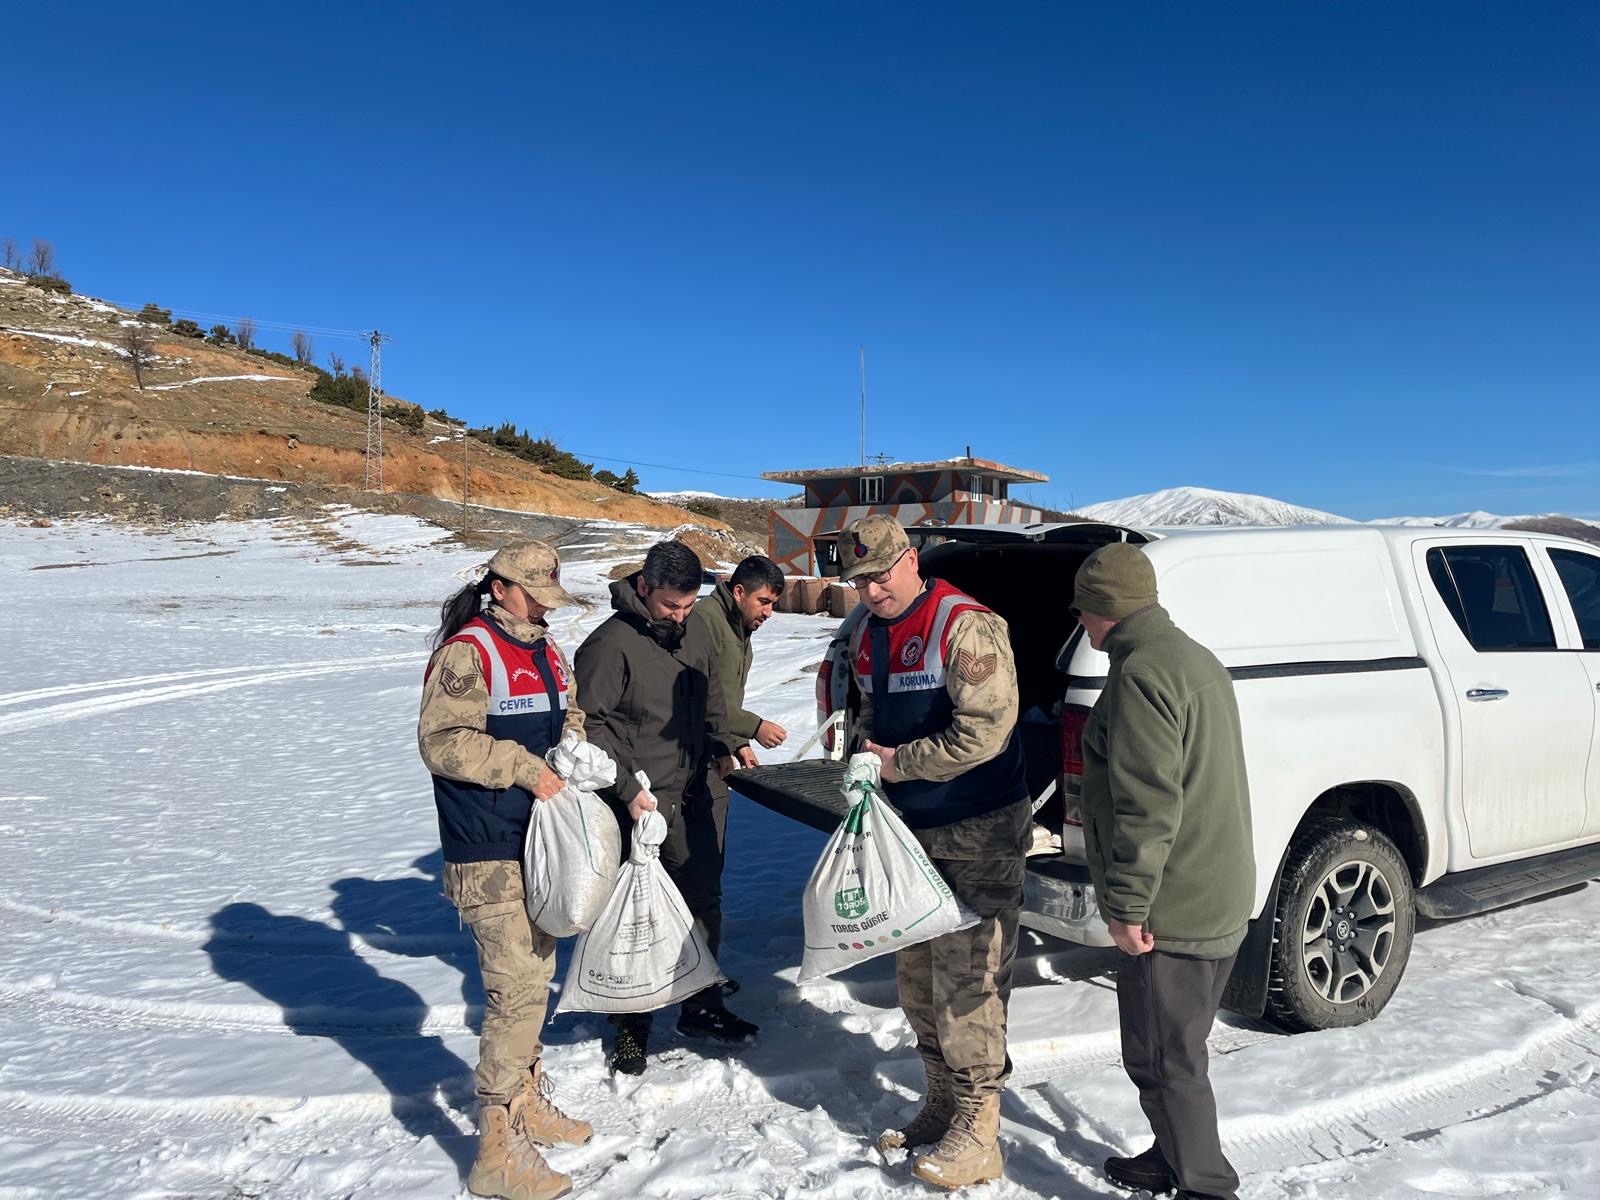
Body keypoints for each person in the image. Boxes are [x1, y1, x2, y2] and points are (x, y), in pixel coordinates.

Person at [843, 515, 1032, 1190]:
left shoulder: (964, 625)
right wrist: (866, 765)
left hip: (977, 830)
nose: (870, 591)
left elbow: (986, 729)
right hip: (910, 836)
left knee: (969, 987)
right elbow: (873, 715)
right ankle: (945, 1103)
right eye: (860, 580)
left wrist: (900, 765)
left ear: (911, 560)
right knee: (918, 983)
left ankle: (981, 1129)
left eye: (881, 575)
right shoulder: (870, 632)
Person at [1073, 543, 1255, 1200]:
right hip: (1214, 888)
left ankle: (1206, 1186)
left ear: (1103, 611)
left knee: (1165, 1059)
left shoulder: (1142, 675)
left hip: (1173, 907)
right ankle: (1171, 1156)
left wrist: (1125, 906)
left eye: (1084, 613)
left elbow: (1148, 804)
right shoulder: (1192, 658)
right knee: (1170, 1050)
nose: (1082, 626)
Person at [417, 541, 594, 1200]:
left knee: (537, 976)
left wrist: (576, 752)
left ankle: (527, 1100)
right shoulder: (469, 651)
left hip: (538, 843)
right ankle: (496, 1145)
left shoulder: (545, 649)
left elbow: (567, 714)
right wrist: (525, 768)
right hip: (486, 846)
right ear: (503, 587)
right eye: (536, 595)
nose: (547, 609)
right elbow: (441, 742)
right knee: (515, 987)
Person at [573, 539, 749, 1076]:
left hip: (695, 789)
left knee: (703, 898)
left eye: (689, 605)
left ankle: (700, 1004)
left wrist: (723, 745)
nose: (680, 615)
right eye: (671, 605)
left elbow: (710, 695)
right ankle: (631, 1026)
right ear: (643, 587)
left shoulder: (694, 629)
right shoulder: (609, 644)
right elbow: (589, 725)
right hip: (640, 801)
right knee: (636, 915)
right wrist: (628, 788)